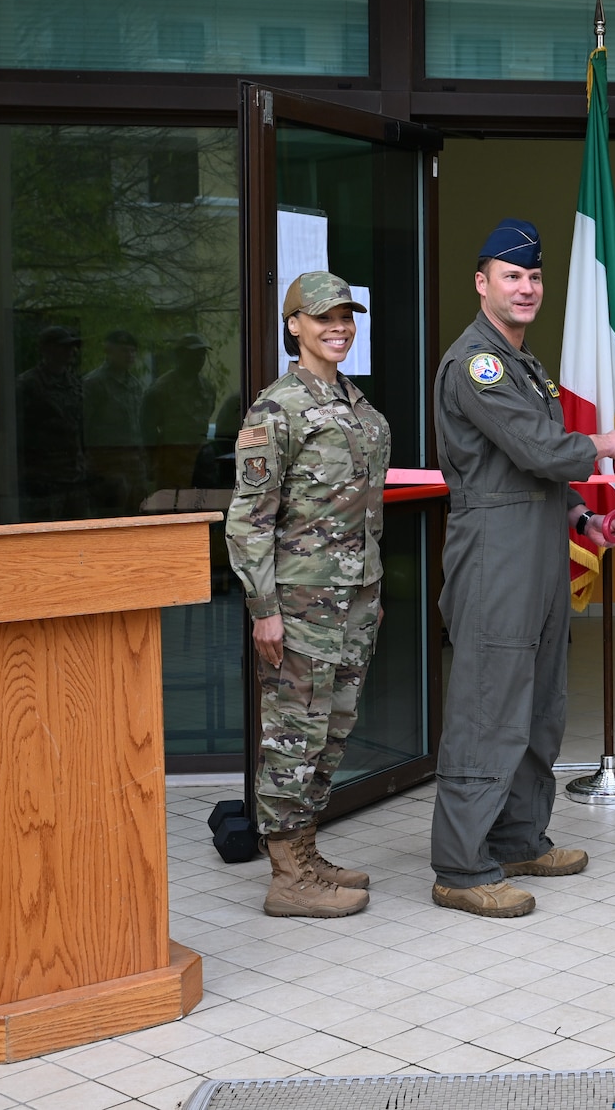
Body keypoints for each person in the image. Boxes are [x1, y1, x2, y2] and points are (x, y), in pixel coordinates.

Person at [431, 219, 615, 919]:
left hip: (540, 549)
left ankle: (517, 838)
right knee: (489, 706)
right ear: (482, 282)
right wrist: (604, 442)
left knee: (538, 704)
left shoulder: (524, 364)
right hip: (496, 555)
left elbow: (543, 475)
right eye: (512, 275)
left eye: (535, 277)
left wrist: (586, 520)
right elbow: (537, 448)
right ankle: (462, 865)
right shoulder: (477, 364)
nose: (527, 287)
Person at [225, 271, 391, 918]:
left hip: (354, 599)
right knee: (294, 732)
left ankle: (305, 847)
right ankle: (287, 875)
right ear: (294, 324)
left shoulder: (357, 403)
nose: (338, 327)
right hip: (300, 603)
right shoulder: (277, 409)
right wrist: (263, 609)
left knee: (333, 727)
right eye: (324, 317)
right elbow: (249, 520)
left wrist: (373, 591)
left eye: (347, 316)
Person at [16, 325, 88, 521]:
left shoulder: (74, 383)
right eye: (64, 346)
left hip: (75, 476)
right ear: (46, 349)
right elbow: (18, 432)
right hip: (44, 479)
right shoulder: (27, 384)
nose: (71, 351)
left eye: (72, 347)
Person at [83, 328, 149, 513]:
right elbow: (84, 427)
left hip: (134, 462)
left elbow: (139, 424)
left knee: (139, 511)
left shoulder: (136, 385)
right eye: (123, 350)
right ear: (109, 351)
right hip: (107, 462)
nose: (129, 355)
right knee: (111, 513)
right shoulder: (94, 383)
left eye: (132, 351)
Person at [146, 331, 217, 490]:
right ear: (180, 356)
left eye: (202, 354)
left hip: (201, 454)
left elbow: (208, 412)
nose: (199, 358)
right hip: (173, 457)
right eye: (194, 354)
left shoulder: (207, 387)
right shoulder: (161, 389)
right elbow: (148, 428)